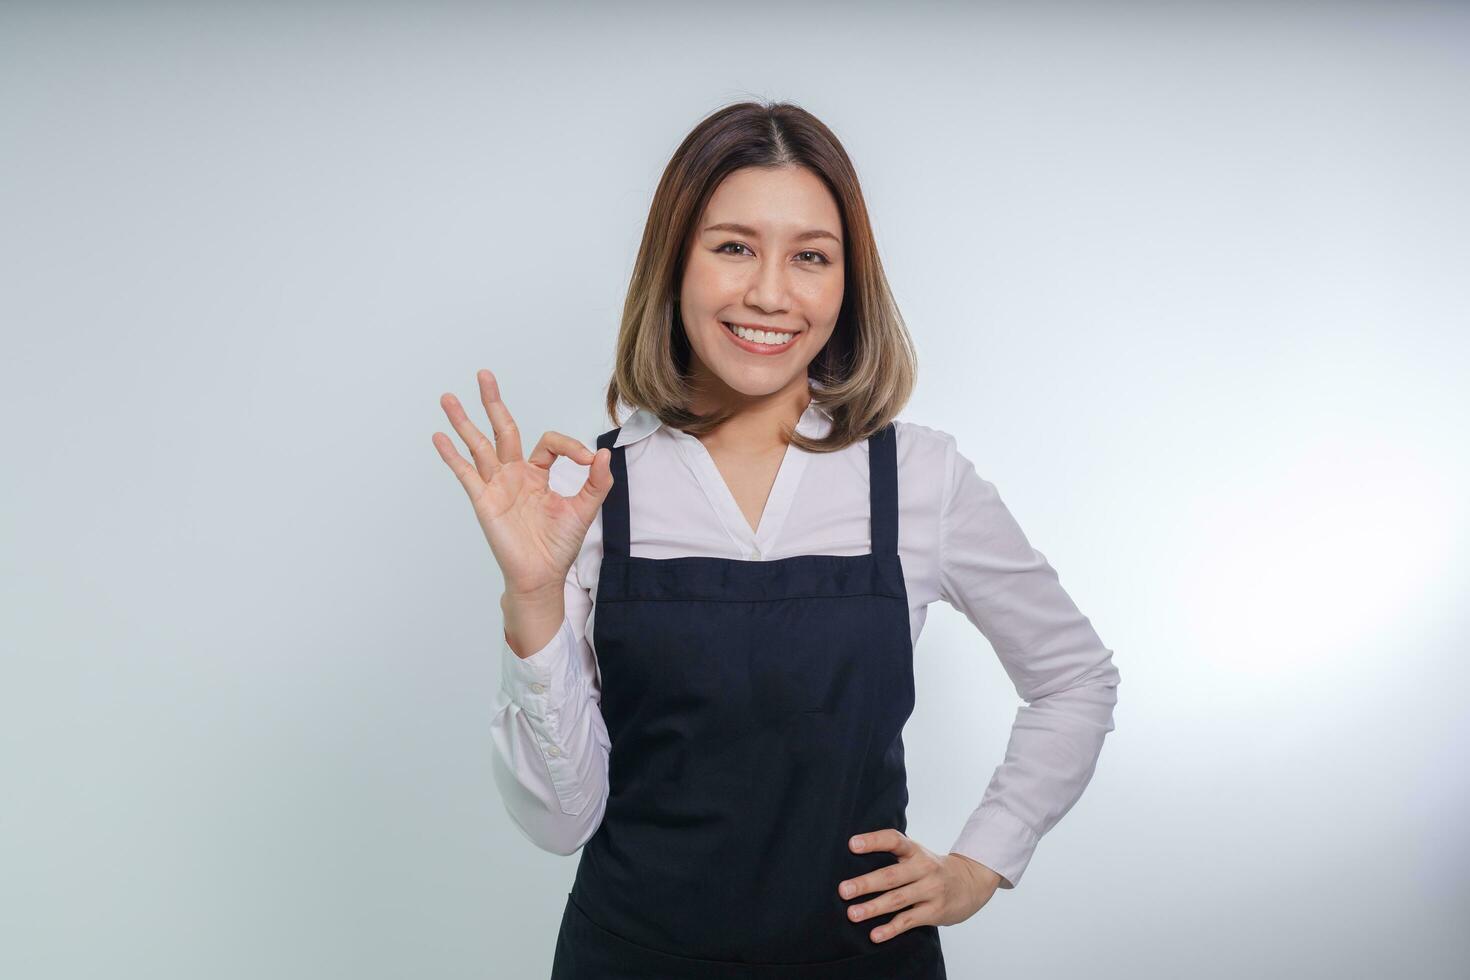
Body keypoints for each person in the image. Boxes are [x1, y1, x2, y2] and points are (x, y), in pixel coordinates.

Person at [432, 101, 1120, 979]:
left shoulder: (918, 478)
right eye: (733, 246)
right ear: (673, 263)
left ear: (848, 281)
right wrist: (532, 597)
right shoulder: (584, 493)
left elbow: (1074, 678)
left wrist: (982, 863)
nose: (770, 293)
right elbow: (560, 822)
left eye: (810, 257)